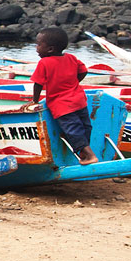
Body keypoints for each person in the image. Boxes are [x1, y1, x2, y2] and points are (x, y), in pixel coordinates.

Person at [25, 27, 97, 165]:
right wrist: (74, 83)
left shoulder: (44, 63)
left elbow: (38, 84)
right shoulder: (71, 57)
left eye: (39, 44)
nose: (36, 48)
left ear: (50, 49)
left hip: (62, 104)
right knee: (85, 126)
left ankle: (90, 156)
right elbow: (83, 71)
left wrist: (34, 101)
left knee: (73, 129)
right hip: (79, 100)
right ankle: (83, 151)